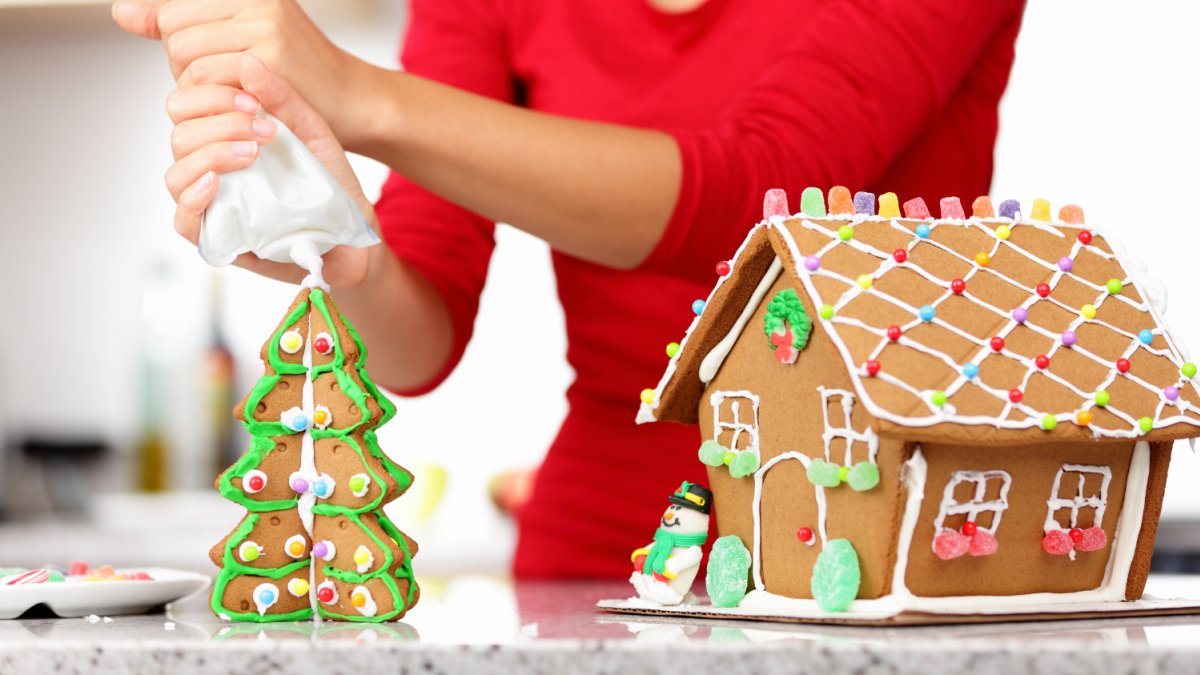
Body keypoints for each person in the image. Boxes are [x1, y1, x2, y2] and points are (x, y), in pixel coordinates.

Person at [113, 0, 1026, 578]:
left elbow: (767, 194)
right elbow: (416, 342)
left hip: (879, 542)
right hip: (599, 555)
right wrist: (343, 249)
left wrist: (359, 96)